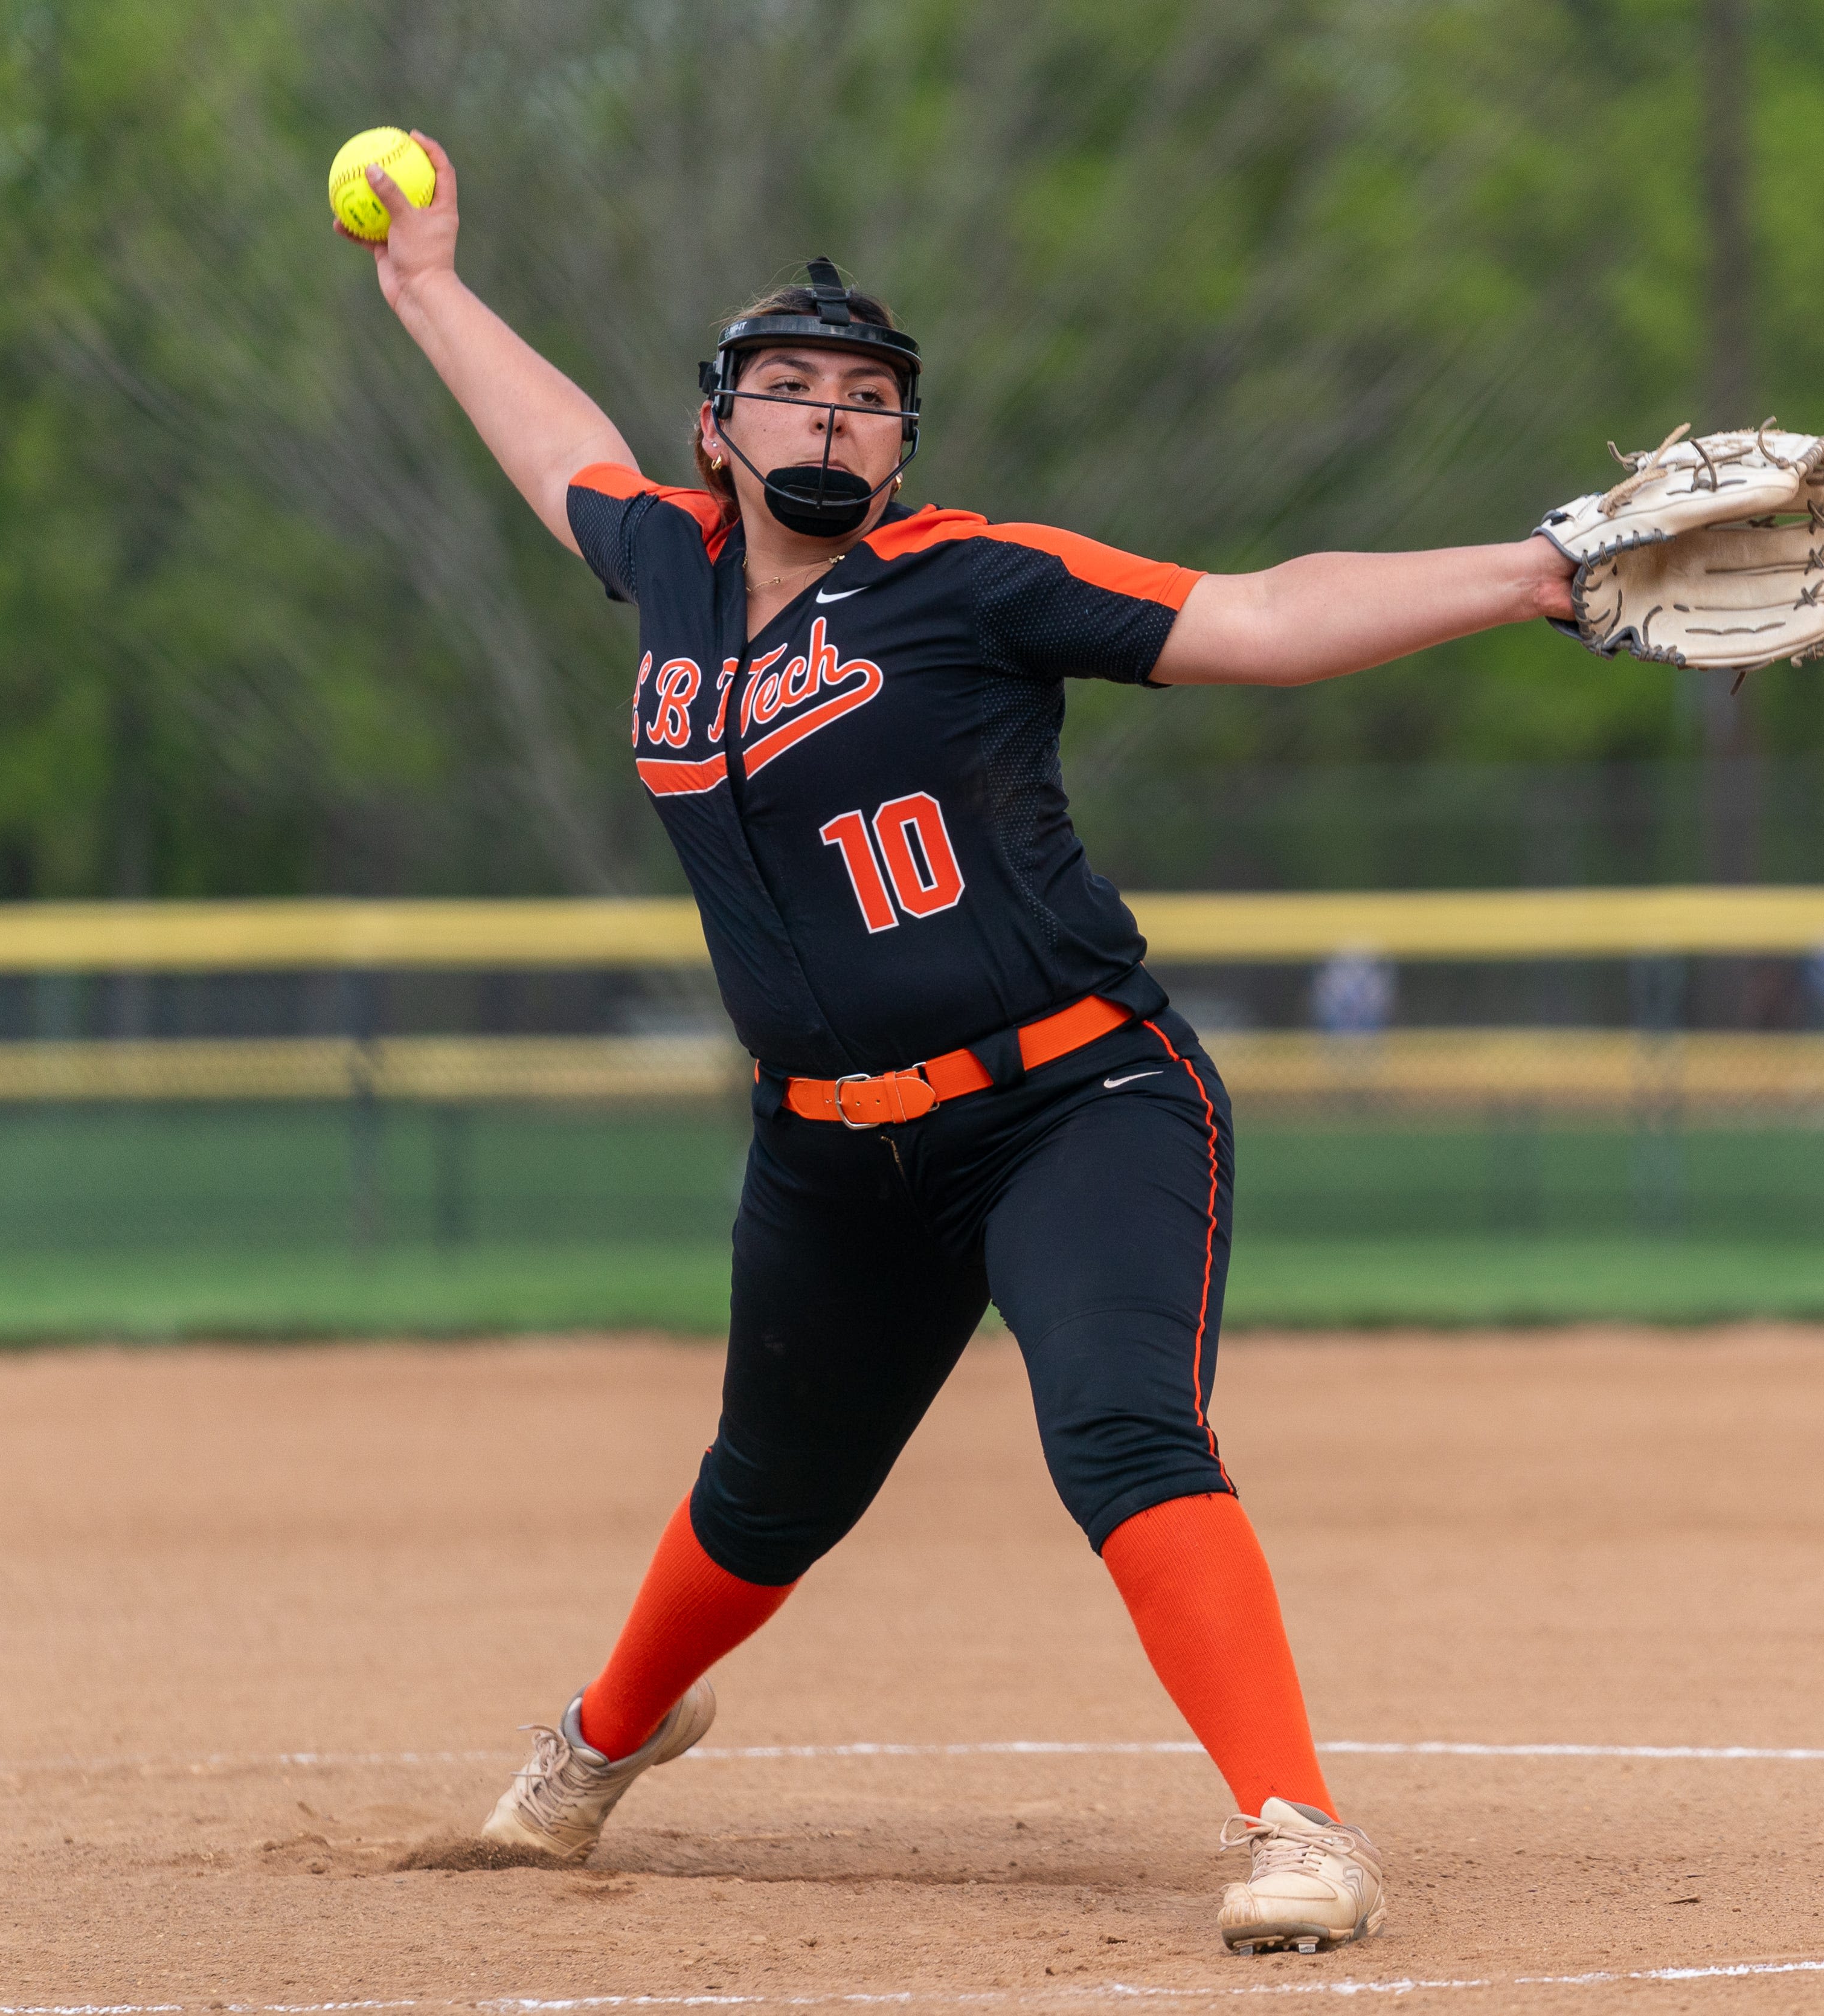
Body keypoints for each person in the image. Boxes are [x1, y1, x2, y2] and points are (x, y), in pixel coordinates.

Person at [345, 135, 1590, 1956]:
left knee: (1123, 1428)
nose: (836, 421)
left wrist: (1535, 572)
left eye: (873, 400)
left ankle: (1300, 1826)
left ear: (903, 447)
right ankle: (601, 1744)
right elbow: (555, 453)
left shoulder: (971, 580)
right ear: (721, 430)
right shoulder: (673, 569)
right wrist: (426, 285)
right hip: (834, 1150)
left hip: (1078, 1096)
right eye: (795, 391)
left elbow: (1252, 616)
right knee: (761, 1500)